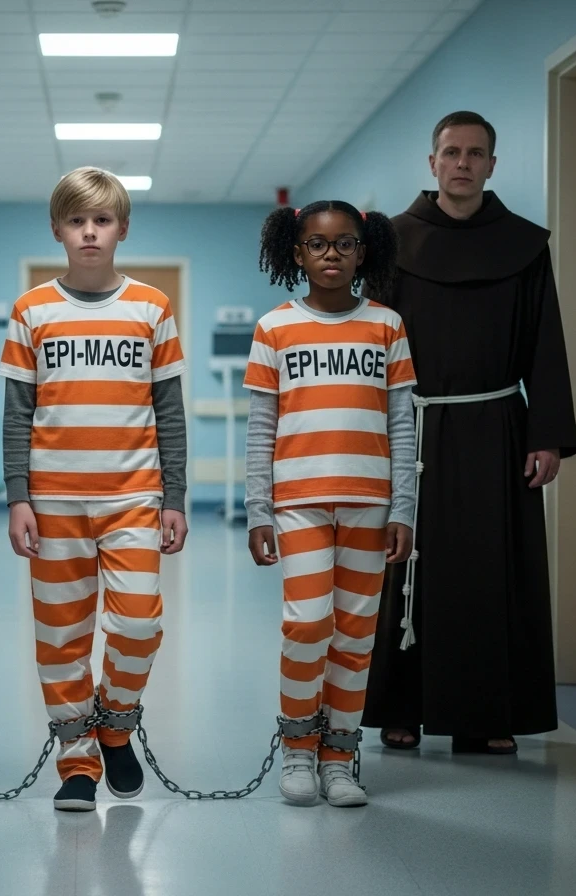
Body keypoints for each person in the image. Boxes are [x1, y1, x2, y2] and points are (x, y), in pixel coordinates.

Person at [363, 111, 576, 755]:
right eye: (451, 152)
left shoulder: (524, 245)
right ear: (432, 163)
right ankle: (401, 707)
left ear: (491, 164)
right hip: (411, 424)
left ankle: (485, 716)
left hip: (497, 430)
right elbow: (371, 342)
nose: (462, 162)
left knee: (493, 571)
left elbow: (547, 344)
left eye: (475, 153)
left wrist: (546, 433)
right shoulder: (390, 244)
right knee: (406, 565)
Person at [0, 167, 189, 813]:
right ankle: (76, 760)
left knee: (138, 623)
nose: (89, 232)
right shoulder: (32, 311)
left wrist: (175, 498)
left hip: (132, 498)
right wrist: (18, 496)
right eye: (77, 221)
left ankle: (116, 719)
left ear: (122, 229)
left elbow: (169, 411)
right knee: (61, 636)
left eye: (101, 220)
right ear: (57, 229)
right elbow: (17, 412)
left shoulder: (152, 307)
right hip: (52, 504)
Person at [246, 201, 417, 807]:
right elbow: (261, 427)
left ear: (362, 252)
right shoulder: (274, 328)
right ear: (297, 253)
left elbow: (402, 426)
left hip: (371, 502)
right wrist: (257, 509)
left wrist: (404, 510)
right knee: (308, 622)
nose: (331, 255)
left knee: (355, 633)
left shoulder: (387, 326)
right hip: (299, 503)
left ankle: (339, 757)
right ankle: (297, 750)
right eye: (318, 245)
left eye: (345, 245)